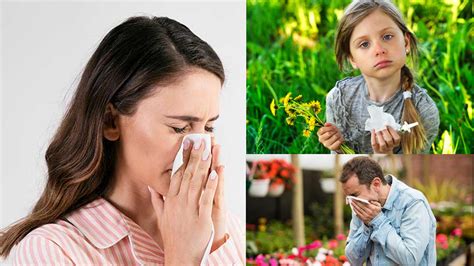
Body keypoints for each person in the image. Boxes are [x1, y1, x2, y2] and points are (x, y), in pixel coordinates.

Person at [0, 16, 244, 264]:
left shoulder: (229, 232)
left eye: (209, 127)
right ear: (110, 122)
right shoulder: (51, 251)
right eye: (179, 128)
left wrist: (214, 247)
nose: (200, 150)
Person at [317, 0, 439, 154]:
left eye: (387, 37)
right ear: (352, 59)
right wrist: (335, 145)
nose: (379, 50)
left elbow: (413, 170)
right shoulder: (339, 99)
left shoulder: (424, 111)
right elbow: (341, 162)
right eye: (364, 44)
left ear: (406, 42)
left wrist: (385, 155)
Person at [340, 156, 436, 265]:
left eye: (354, 195)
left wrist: (377, 221)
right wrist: (366, 226)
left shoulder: (413, 202)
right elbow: (354, 260)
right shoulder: (362, 205)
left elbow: (410, 260)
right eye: (349, 197)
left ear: (376, 184)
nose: (350, 202)